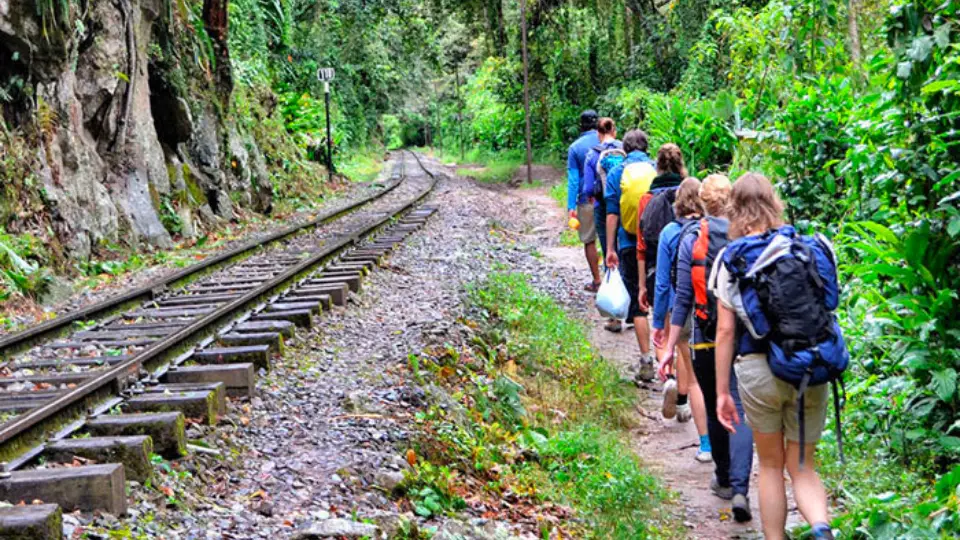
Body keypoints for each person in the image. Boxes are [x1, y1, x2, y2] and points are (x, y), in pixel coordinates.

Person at [713, 174, 834, 539]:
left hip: (757, 371)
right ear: (773, 203)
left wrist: (722, 392)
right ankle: (822, 529)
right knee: (803, 466)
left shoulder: (730, 257)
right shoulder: (803, 247)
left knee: (769, 466)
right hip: (809, 366)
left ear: (734, 208)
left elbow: (724, 331)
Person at [660, 174, 754, 523]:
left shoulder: (691, 239)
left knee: (717, 403)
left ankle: (724, 477)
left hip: (704, 335)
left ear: (702, 202)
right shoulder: (744, 235)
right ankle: (742, 487)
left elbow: (683, 296)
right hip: (742, 337)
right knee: (740, 406)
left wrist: (670, 345)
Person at [652, 177, 711, 463]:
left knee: (693, 368)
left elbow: (662, 283)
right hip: (712, 310)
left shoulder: (669, 233)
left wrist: (658, 324)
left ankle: (706, 444)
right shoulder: (713, 229)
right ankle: (686, 401)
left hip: (681, 309)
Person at [604, 130, 657, 381]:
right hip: (659, 244)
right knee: (663, 302)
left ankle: (647, 361)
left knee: (638, 304)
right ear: (646, 148)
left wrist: (611, 248)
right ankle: (669, 362)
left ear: (625, 149)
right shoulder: (657, 169)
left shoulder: (617, 172)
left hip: (628, 243)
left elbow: (612, 213)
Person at [581, 118, 624, 331]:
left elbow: (588, 187)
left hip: (603, 207)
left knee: (609, 253)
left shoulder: (592, 154)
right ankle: (634, 311)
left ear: (598, 133)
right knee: (625, 251)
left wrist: (592, 197)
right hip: (624, 206)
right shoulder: (625, 149)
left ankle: (614, 317)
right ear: (614, 131)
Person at [566, 110, 602, 292]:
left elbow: (573, 179)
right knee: (611, 241)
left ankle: (597, 281)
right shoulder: (608, 142)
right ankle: (616, 281)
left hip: (585, 199)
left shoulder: (575, 147)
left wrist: (570, 206)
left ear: (581, 125)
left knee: (589, 240)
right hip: (608, 198)